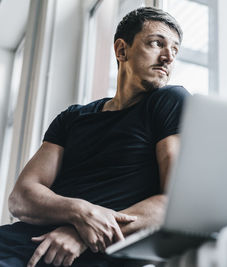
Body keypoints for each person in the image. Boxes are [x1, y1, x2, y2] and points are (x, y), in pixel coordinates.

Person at [0, 7, 190, 267]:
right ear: (122, 50)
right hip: (17, 240)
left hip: (83, 255)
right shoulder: (73, 117)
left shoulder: (170, 102)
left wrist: (84, 234)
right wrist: (81, 213)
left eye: (175, 50)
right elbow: (21, 197)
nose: (168, 57)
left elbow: (175, 202)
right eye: (157, 43)